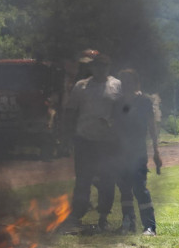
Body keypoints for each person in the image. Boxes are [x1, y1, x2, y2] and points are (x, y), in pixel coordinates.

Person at [61, 51, 121, 231]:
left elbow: (123, 111)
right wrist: (66, 134)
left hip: (107, 141)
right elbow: (71, 111)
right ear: (92, 67)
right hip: (84, 139)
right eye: (96, 66)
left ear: (108, 67)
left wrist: (113, 124)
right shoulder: (81, 87)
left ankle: (103, 217)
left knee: (107, 179)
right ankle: (77, 216)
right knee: (83, 180)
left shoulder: (116, 85)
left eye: (103, 66)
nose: (100, 70)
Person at [114, 69, 160, 236]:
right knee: (124, 188)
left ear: (136, 83)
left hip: (138, 151)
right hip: (120, 151)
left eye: (129, 81)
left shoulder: (144, 102)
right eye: (123, 81)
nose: (126, 84)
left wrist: (156, 151)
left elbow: (152, 126)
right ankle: (128, 222)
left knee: (139, 188)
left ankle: (149, 226)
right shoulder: (117, 103)